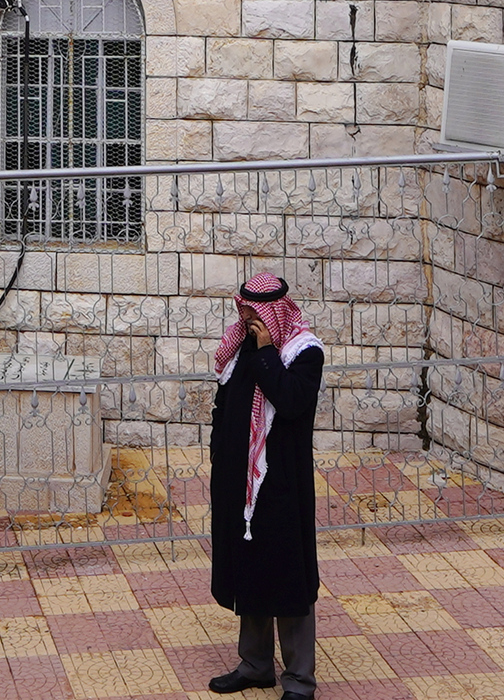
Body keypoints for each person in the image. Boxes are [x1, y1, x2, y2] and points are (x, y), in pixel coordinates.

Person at [205, 270, 324, 698]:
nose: (248, 321)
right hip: (239, 482)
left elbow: (290, 401)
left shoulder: (302, 352)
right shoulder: (238, 350)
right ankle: (255, 664)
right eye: (244, 312)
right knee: (249, 569)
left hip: (282, 485)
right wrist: (220, 452)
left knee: (289, 577)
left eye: (256, 315)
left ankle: (299, 680)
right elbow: (225, 404)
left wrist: (267, 350)